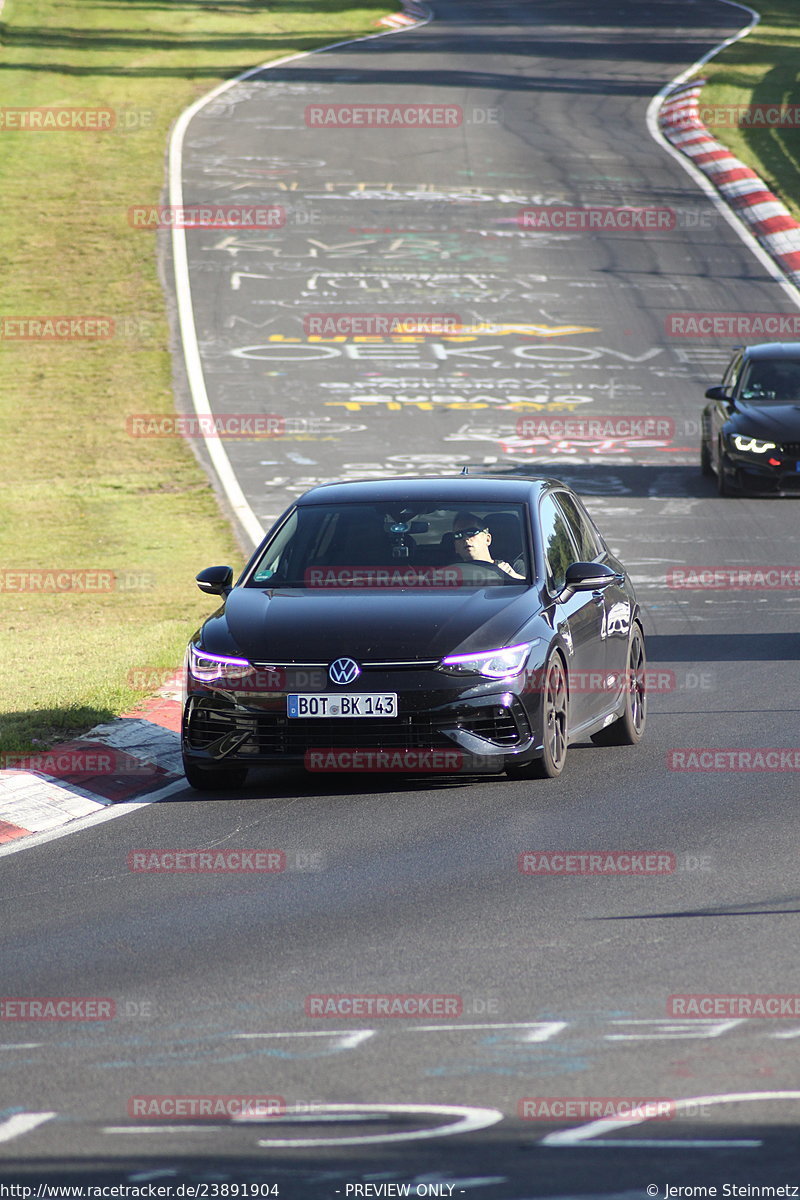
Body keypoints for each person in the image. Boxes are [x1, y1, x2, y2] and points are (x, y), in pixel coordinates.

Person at [452, 513, 525, 579]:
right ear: (456, 547)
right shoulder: (449, 575)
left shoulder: (513, 566)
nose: (465, 538)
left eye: (472, 532)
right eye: (458, 535)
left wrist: (512, 576)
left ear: (487, 539)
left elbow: (530, 589)